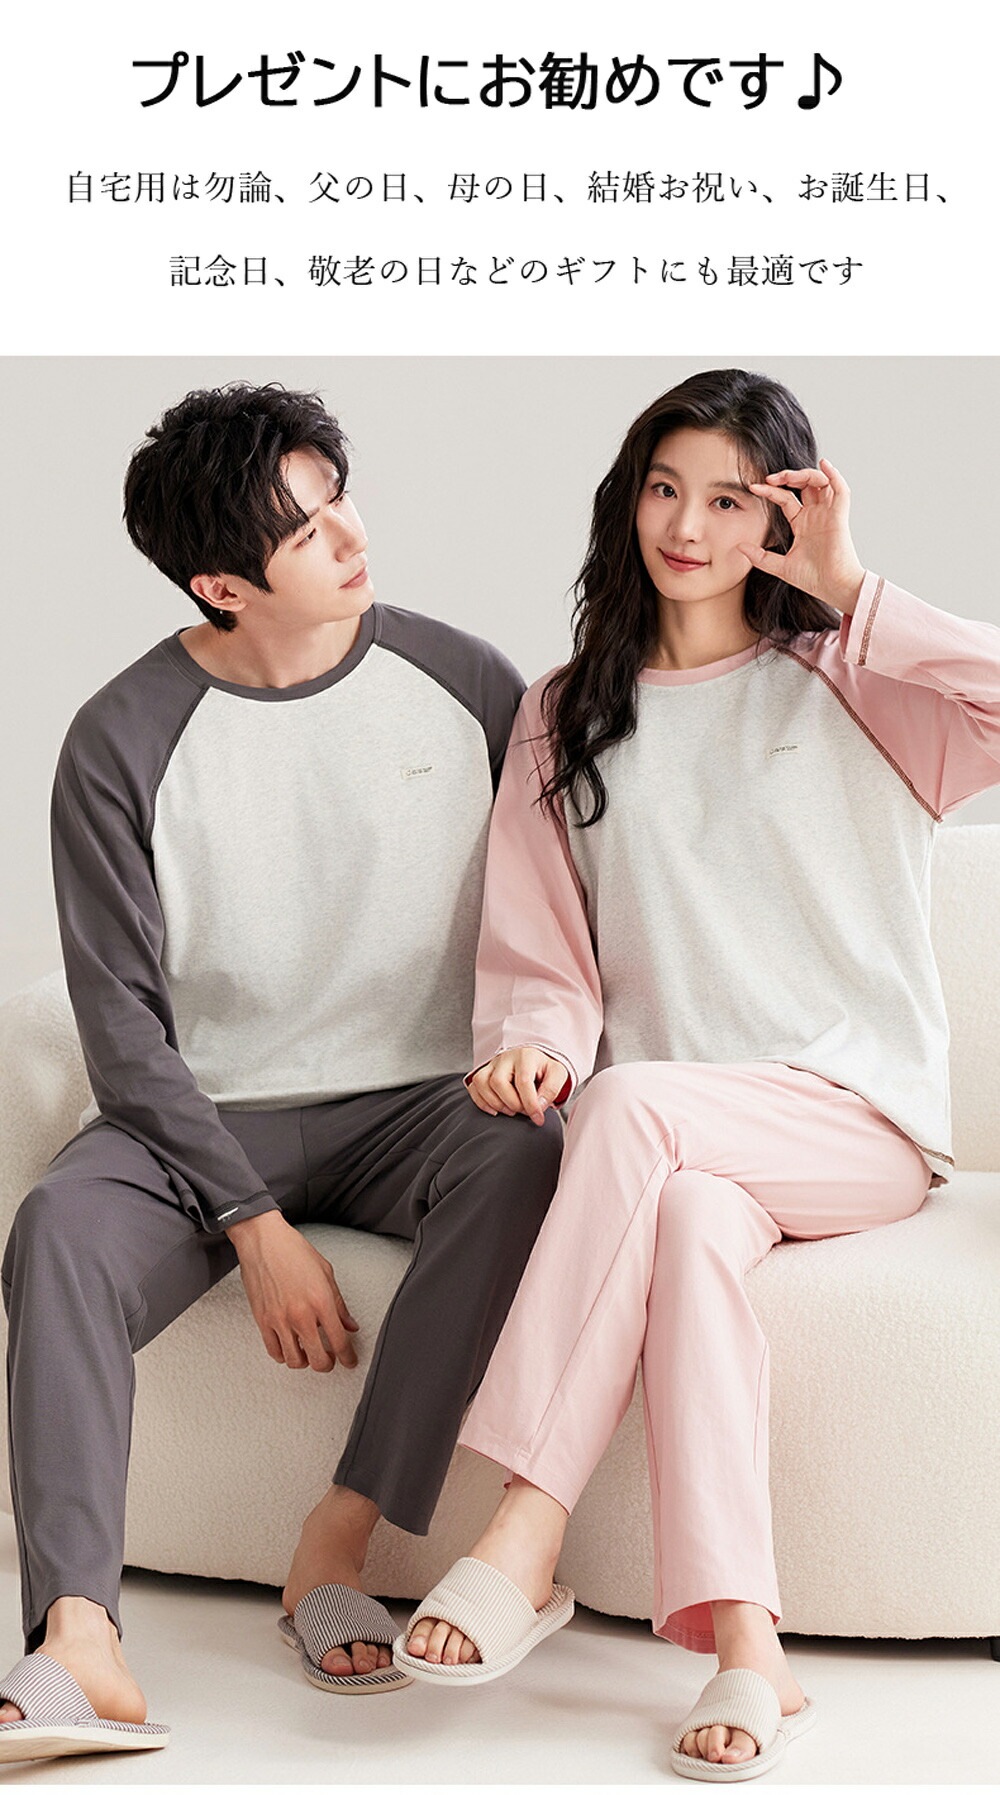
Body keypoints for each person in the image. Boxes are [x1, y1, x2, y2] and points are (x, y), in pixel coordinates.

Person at [394, 368, 1000, 1780]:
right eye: (666, 489)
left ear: (783, 516)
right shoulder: (565, 713)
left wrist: (853, 590)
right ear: (629, 500)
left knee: (635, 1109)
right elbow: (542, 951)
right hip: (672, 1147)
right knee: (678, 1217)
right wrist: (535, 1049)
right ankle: (749, 1650)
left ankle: (522, 1526)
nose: (687, 526)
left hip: (853, 1118)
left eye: (731, 500)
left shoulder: (856, 679)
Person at [0, 383, 562, 1763]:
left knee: (529, 1154)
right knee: (57, 1227)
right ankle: (77, 1637)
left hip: (423, 1106)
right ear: (221, 584)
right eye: (308, 532)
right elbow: (121, 1026)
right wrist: (250, 1220)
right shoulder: (120, 739)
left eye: (339, 501)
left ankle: (337, 1544)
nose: (353, 537)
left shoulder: (469, 684)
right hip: (202, 1117)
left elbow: (560, 904)